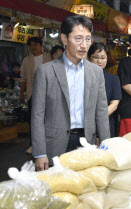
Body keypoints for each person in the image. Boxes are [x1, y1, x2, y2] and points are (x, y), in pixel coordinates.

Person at [31, 15, 110, 171]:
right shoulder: (46, 71)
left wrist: (106, 146)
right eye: (78, 38)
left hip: (86, 141)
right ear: (64, 39)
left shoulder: (96, 72)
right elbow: (37, 115)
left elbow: (101, 112)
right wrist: (39, 153)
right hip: (55, 143)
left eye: (88, 39)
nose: (84, 45)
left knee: (86, 189)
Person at [20, 37, 51, 154]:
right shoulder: (26, 60)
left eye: (36, 44)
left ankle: (48, 144)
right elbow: (23, 78)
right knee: (34, 121)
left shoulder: (49, 57)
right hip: (32, 94)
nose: (33, 47)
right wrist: (21, 94)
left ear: (41, 45)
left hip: (49, 93)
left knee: (48, 120)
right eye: (31, 45)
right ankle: (33, 145)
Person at [88, 42, 122, 137]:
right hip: (84, 125)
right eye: (95, 57)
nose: (99, 61)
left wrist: (97, 118)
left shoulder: (113, 79)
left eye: (103, 58)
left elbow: (114, 104)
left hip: (105, 123)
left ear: (107, 59)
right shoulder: (82, 77)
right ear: (89, 58)